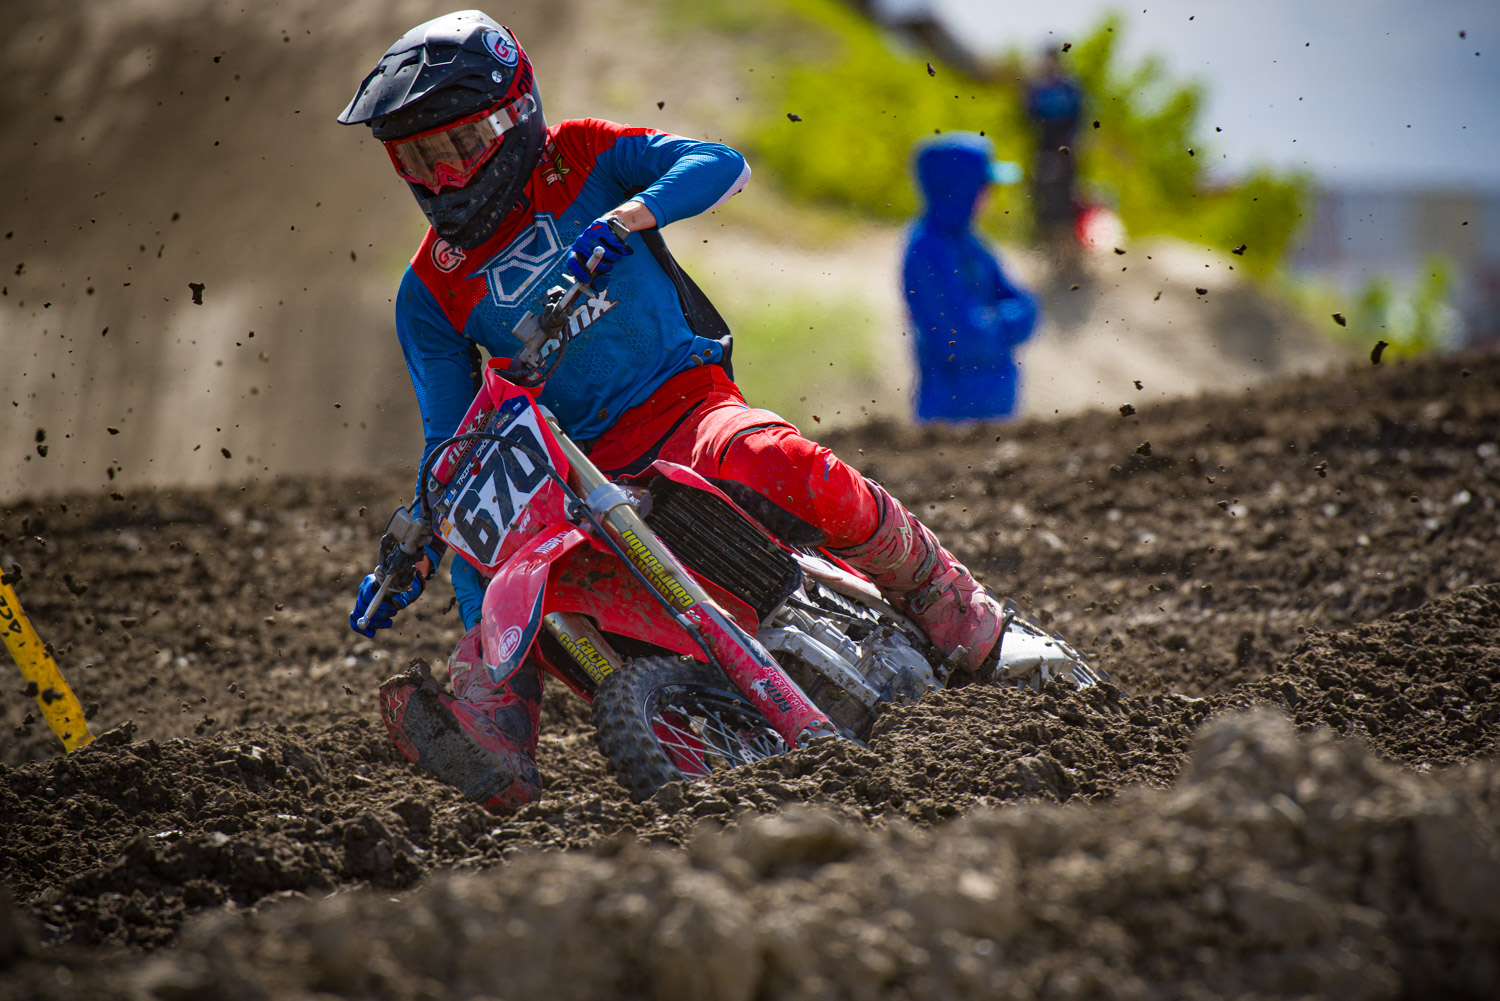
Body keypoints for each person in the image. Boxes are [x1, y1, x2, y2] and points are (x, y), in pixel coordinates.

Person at [340, 11, 1007, 812]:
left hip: (688, 409)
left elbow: (719, 163)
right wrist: (418, 538)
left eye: (461, 146)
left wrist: (627, 217)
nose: (445, 178)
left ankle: (934, 584)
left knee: (776, 460)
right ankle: (496, 722)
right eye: (419, 159)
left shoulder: (581, 155)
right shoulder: (429, 290)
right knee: (491, 549)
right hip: (570, 475)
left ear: (516, 114)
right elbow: (453, 445)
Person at [903, 133, 1038, 422]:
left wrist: (993, 322)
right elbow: (961, 338)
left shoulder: (970, 242)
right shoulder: (926, 249)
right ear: (960, 187)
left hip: (996, 410)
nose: (990, 195)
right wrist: (1004, 323)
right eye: (985, 185)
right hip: (949, 416)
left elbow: (1027, 308)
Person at [1024, 48, 1084, 245]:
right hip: (1042, 146)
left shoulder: (1069, 87)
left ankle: (1070, 239)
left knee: (1067, 193)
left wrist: (1075, 143)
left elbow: (1080, 117)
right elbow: (1027, 117)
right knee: (1039, 192)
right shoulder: (1036, 87)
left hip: (1067, 147)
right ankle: (1040, 239)